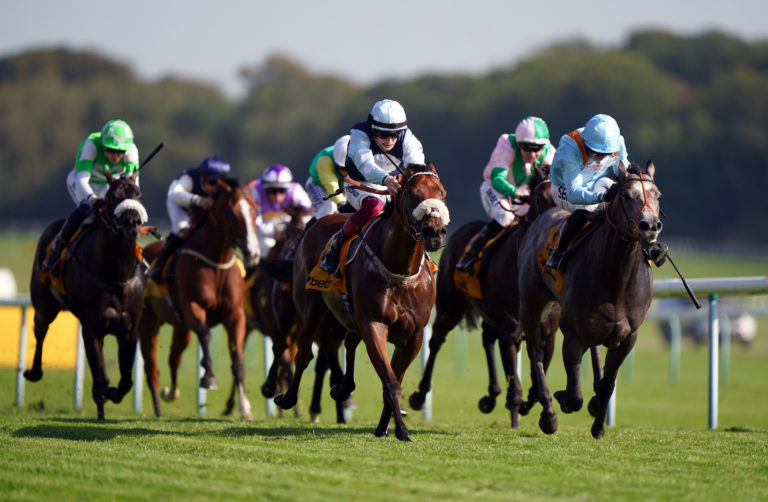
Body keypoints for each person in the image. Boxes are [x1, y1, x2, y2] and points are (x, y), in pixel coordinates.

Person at [545, 113, 667, 270]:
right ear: (585, 144)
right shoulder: (571, 148)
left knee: (627, 200)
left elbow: (624, 172)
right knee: (588, 208)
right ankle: (559, 252)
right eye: (595, 153)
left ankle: (648, 246)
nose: (600, 158)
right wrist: (601, 196)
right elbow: (574, 192)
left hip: (595, 183)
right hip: (563, 188)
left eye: (605, 154)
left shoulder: (617, 143)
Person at [319, 99, 425, 276]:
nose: (389, 140)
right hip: (359, 184)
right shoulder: (359, 133)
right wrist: (386, 180)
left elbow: (416, 163)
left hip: (392, 185)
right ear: (373, 129)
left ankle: (423, 255)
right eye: (383, 134)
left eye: (394, 134)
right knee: (374, 206)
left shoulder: (407, 137)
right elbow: (365, 165)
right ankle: (335, 249)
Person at [456, 116, 555, 273]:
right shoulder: (506, 145)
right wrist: (516, 194)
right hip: (494, 188)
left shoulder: (550, 153)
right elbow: (496, 179)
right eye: (528, 148)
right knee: (505, 218)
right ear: (519, 145)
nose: (533, 154)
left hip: (522, 191)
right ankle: (471, 254)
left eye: (538, 148)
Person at [42, 119, 139, 276]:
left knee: (125, 215)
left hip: (109, 186)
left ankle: (132, 253)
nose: (115, 156)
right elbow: (82, 180)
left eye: (120, 152)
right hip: (82, 183)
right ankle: (56, 251)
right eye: (111, 150)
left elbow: (132, 187)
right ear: (102, 145)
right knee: (87, 209)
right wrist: (93, 199)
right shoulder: (91, 146)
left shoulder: (132, 151)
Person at [148, 155, 231, 283]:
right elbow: (174, 193)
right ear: (202, 179)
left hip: (198, 210)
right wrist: (198, 200)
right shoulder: (190, 178)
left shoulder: (220, 190)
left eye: (218, 184)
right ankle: (159, 266)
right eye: (212, 183)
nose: (215, 188)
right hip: (180, 206)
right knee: (182, 231)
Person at [251, 164, 313, 255]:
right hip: (265, 231)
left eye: (281, 190)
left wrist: (288, 231)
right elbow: (255, 223)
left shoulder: (296, 191)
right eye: (272, 190)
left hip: (288, 226)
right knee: (265, 246)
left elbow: (307, 215)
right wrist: (274, 234)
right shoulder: (256, 192)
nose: (277, 196)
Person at [305, 135, 350, 220]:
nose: (348, 173)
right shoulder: (324, 160)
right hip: (318, 185)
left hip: (342, 186)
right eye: (344, 168)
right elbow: (331, 185)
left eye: (351, 168)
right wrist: (341, 203)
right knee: (326, 212)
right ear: (335, 163)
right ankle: (307, 231)